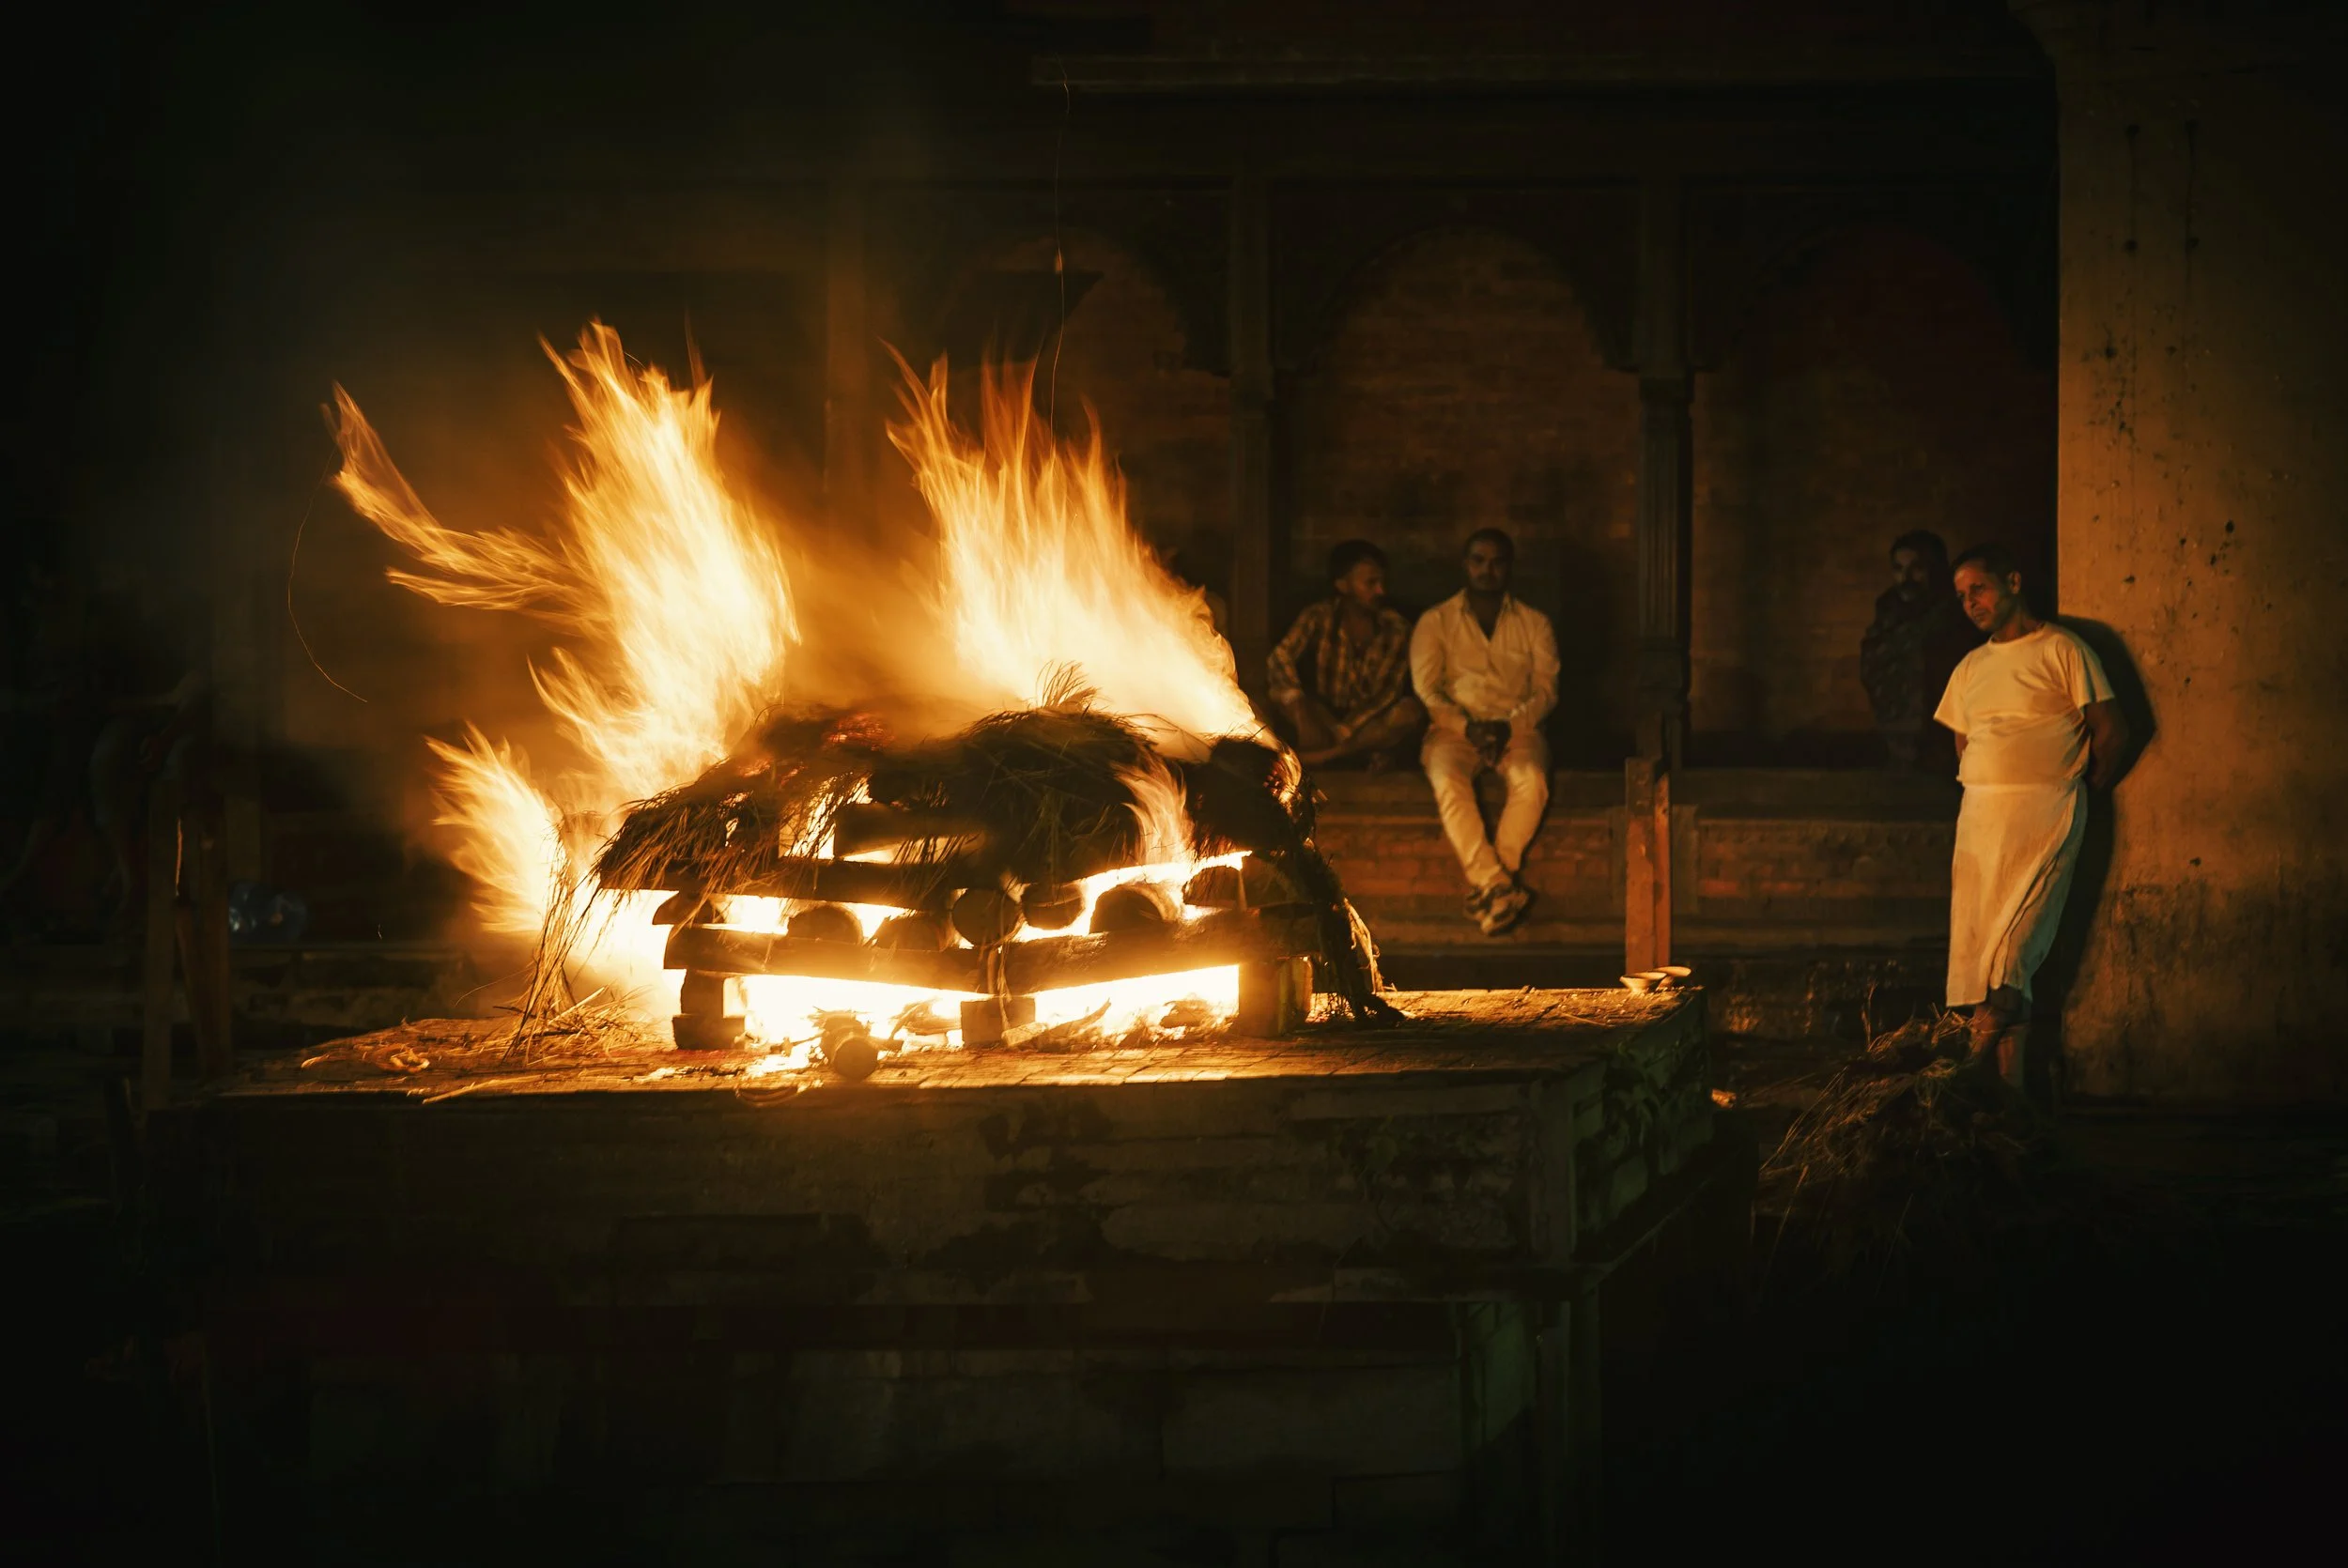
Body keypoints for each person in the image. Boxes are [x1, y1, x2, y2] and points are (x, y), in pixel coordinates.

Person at [1934, 544, 2134, 1085]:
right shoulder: (1971, 667)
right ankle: (2012, 1103)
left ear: (2014, 581)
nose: (1970, 602)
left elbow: (2112, 732)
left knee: (2013, 950)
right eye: (1961, 596)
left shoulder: (2063, 649)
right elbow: (1964, 742)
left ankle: (1963, 1074)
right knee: (1987, 960)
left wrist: (2079, 786)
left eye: (1979, 588)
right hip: (1980, 821)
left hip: (2044, 816)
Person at [1409, 528, 1558, 936]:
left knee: (1533, 780)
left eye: (1496, 562)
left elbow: (1547, 691)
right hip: (1453, 730)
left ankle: (1492, 883)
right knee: (1447, 777)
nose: (1487, 570)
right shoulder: (1435, 621)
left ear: (1509, 567)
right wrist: (1467, 726)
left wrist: (1507, 727)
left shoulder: (1534, 623)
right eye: (1478, 560)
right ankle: (1499, 885)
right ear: (1465, 564)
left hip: (1518, 728)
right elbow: (1426, 688)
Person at [1266, 539, 1425, 768]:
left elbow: (1390, 693)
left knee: (1408, 712)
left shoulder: (1397, 628)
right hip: (1325, 717)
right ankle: (1358, 754)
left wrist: (1347, 731)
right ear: (1343, 585)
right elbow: (1280, 657)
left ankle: (1330, 756)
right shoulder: (1319, 616)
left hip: (1369, 721)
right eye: (1371, 583)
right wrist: (1300, 705)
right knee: (1283, 694)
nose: (1381, 591)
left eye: (1382, 582)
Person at [1859, 529, 1979, 773]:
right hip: (1897, 739)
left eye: (1917, 568)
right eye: (1898, 569)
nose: (1906, 577)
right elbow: (1872, 664)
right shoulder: (1887, 612)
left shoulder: (1958, 616)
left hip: (1947, 741)